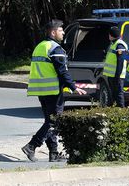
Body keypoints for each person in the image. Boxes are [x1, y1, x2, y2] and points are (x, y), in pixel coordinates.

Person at [23, 20, 86, 163]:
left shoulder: (39, 46)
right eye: (61, 30)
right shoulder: (55, 48)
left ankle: (53, 153)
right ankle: (32, 146)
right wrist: (74, 87)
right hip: (52, 90)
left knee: (49, 122)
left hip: (41, 90)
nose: (63, 32)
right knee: (54, 121)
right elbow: (62, 71)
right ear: (53, 32)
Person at [102, 26, 128, 107]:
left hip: (117, 76)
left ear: (111, 35)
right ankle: (116, 110)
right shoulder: (113, 44)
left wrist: (117, 75)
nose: (108, 36)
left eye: (109, 34)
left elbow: (120, 62)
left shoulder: (119, 45)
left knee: (119, 94)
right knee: (114, 94)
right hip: (112, 75)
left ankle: (121, 111)